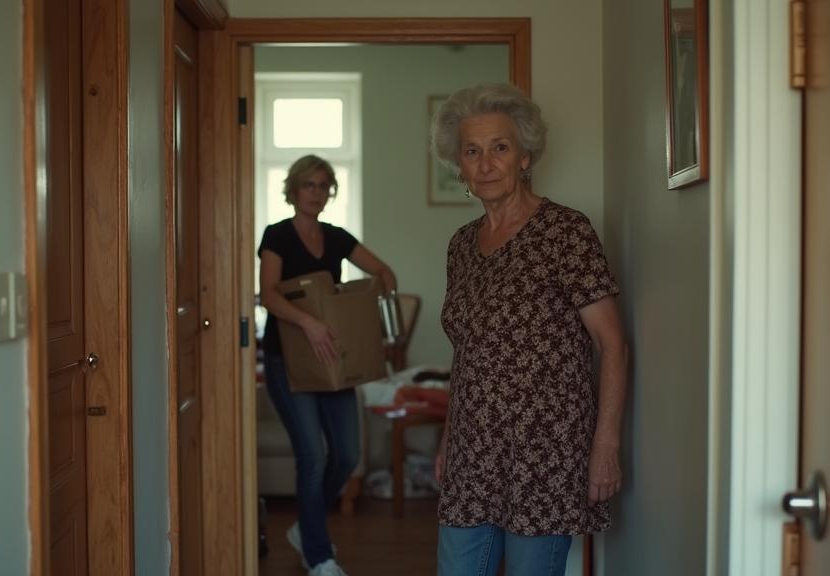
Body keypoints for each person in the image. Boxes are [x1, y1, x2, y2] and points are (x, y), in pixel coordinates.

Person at [430, 83, 628, 576]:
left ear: (524, 156)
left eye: (499, 147)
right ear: (460, 166)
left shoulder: (566, 231)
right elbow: (467, 353)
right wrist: (449, 438)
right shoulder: (460, 245)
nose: (486, 164)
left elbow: (612, 344)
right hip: (474, 447)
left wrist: (605, 446)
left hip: (545, 449)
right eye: (472, 152)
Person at [257, 154, 397, 576]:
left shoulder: (336, 238)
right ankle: (319, 557)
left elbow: (383, 272)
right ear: (293, 190)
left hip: (332, 361)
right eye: (308, 185)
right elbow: (268, 294)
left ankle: (306, 526)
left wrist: (367, 303)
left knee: (347, 454)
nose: (316, 193)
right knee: (313, 456)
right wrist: (309, 322)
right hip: (287, 361)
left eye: (323, 186)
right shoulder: (277, 235)